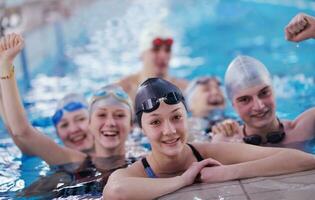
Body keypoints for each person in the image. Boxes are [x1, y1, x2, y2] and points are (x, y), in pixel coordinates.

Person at [103, 78, 315, 200]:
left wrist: (228, 171)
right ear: (142, 129)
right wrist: (183, 180)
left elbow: (303, 160)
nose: (169, 131)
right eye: (156, 122)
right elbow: (115, 192)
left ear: (188, 117)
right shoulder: (139, 171)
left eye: (176, 117)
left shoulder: (208, 152)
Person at [0, 33, 135, 196]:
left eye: (119, 116)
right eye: (102, 115)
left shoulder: (139, 156)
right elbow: (20, 131)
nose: (110, 122)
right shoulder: (74, 160)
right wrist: (5, 65)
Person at [211, 55, 315, 146]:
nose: (259, 106)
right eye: (245, 99)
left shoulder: (306, 127)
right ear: (233, 105)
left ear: (274, 91)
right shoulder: (226, 143)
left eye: (264, 93)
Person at [117, 23, 188, 102]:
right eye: (156, 49)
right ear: (141, 54)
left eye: (167, 50)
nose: (163, 55)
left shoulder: (184, 89)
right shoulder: (122, 90)